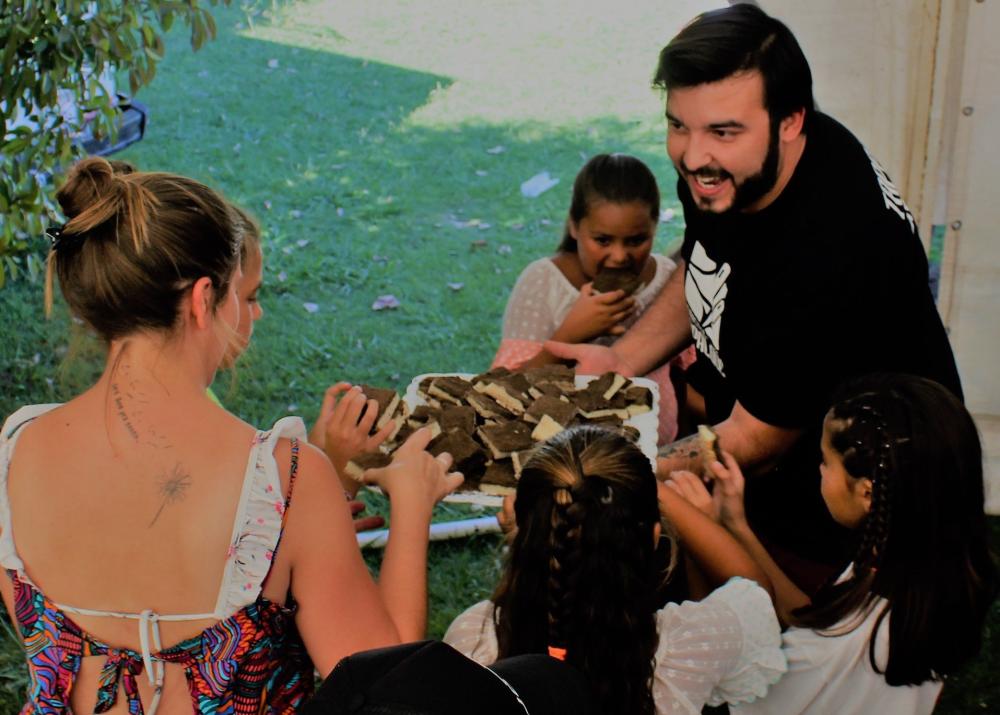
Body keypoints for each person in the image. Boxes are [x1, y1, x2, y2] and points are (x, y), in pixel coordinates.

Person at [0, 157, 462, 714]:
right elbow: (388, 686)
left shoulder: (14, 449)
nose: (254, 313)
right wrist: (412, 507)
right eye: (246, 295)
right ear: (202, 301)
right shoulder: (286, 479)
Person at [544, 4, 962, 588]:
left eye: (722, 130)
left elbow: (756, 441)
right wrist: (621, 360)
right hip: (761, 455)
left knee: (759, 657)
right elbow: (706, 262)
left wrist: (607, 474)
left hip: (841, 509)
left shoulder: (833, 254)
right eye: (678, 125)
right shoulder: (732, 170)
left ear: (791, 120)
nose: (691, 156)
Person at [669, 373, 998, 714]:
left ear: (867, 492)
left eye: (826, 461)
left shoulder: (837, 648)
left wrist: (699, 539)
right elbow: (808, 619)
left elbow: (723, 675)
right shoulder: (916, 569)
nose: (819, 471)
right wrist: (736, 527)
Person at [444, 425, 786, 715]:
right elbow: (753, 589)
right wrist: (650, 490)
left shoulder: (474, 642)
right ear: (654, 535)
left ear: (519, 530)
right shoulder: (688, 648)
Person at [493, 153, 693, 443]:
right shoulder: (543, 284)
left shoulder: (665, 277)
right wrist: (571, 335)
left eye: (636, 241)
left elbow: (681, 376)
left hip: (653, 450)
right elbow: (502, 392)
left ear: (654, 228)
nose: (620, 256)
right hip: (564, 454)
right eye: (602, 240)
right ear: (575, 226)